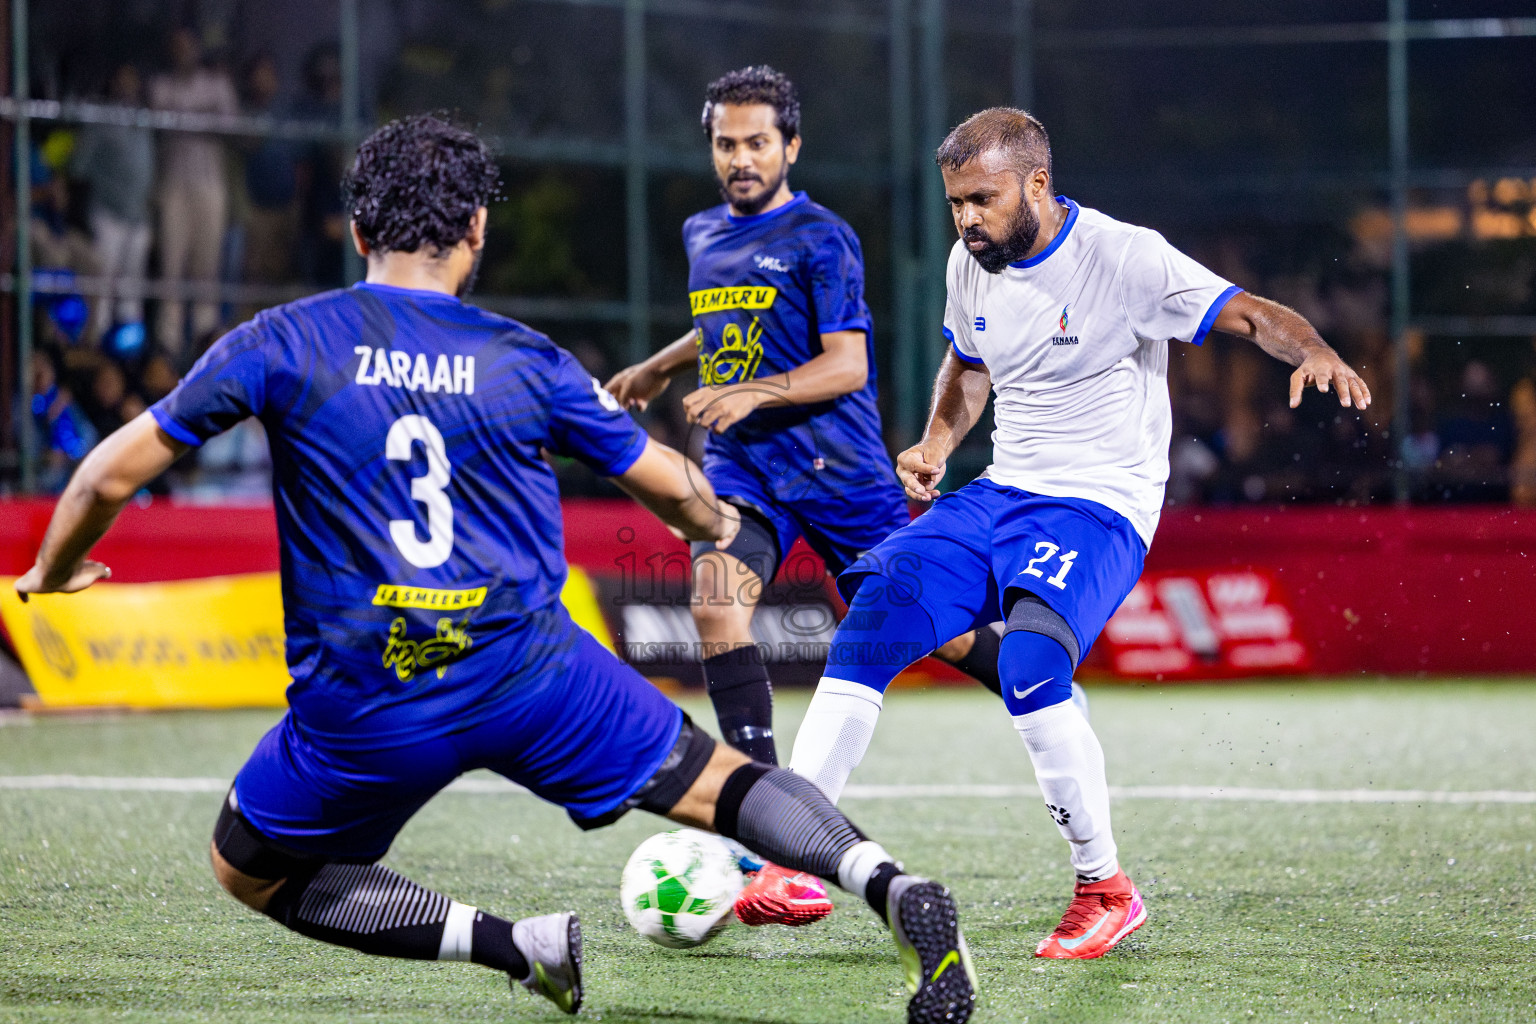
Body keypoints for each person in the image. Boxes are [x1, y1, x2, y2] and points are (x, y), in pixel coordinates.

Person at [14, 115, 976, 1024]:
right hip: (533, 674)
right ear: (476, 230)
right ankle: (891, 886)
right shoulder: (528, 358)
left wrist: (55, 573)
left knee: (249, 867)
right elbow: (677, 494)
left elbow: (106, 474)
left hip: (369, 694)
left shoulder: (284, 338)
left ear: (357, 229)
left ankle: (517, 947)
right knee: (720, 780)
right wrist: (716, 511)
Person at [787, 107, 1372, 961]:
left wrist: (1313, 348)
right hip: (1000, 492)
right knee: (874, 615)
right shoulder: (969, 263)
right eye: (955, 202)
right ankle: (799, 854)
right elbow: (968, 363)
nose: (965, 220)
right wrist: (938, 441)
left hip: (1099, 504)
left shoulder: (1125, 257)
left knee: (1029, 662)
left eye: (981, 200)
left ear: (1036, 184)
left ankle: (1106, 887)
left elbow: (1248, 314)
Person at [605, 67, 1005, 927]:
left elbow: (848, 364)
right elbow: (724, 318)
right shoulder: (702, 230)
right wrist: (661, 366)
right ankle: (764, 825)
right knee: (715, 604)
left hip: (841, 477)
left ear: (790, 146)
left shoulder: (824, 237)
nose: (741, 159)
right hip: (747, 474)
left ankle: (1035, 680)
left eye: (757, 143)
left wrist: (755, 391)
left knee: (939, 633)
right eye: (726, 143)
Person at [148, 27, 238, 357]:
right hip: (173, 183)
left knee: (207, 266)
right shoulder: (161, 85)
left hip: (210, 183)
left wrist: (195, 121)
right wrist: (204, 118)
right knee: (171, 264)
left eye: (188, 46)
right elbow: (162, 124)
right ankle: (168, 342)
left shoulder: (216, 84)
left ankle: (205, 338)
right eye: (177, 46)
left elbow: (229, 126)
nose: (183, 52)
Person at [71, 63, 156, 342]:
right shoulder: (100, 117)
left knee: (132, 287)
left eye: (133, 79)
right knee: (103, 283)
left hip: (138, 216)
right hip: (107, 214)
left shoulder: (144, 118)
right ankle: (95, 341)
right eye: (122, 79)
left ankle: (129, 349)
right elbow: (79, 166)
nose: (128, 85)